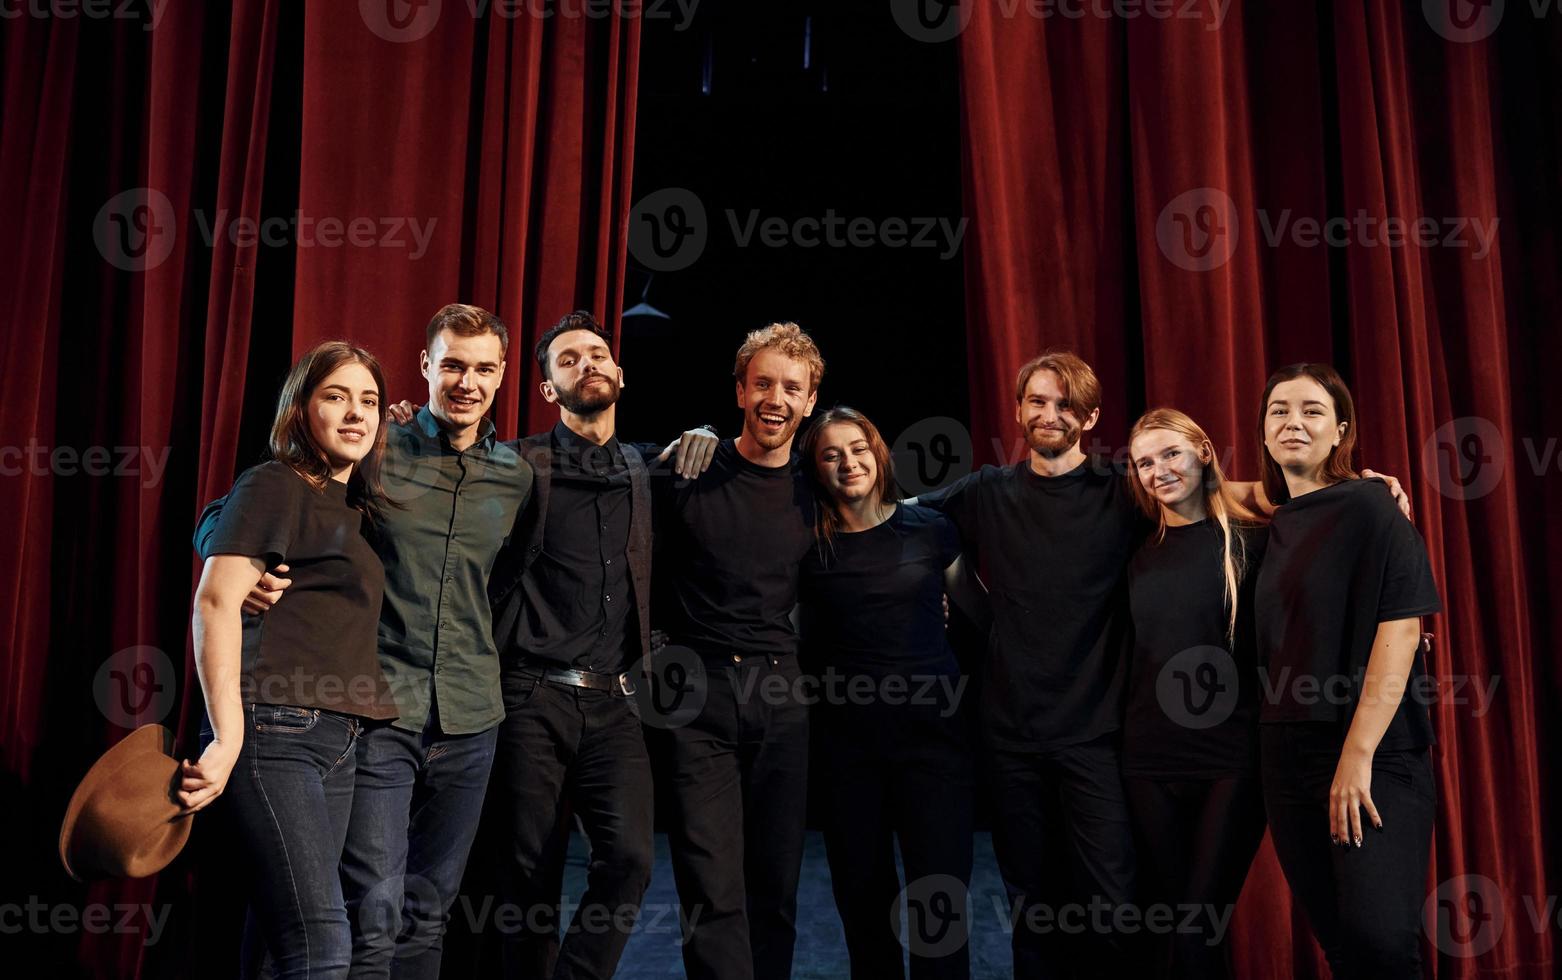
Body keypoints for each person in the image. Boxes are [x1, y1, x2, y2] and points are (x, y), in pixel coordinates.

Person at [196, 305, 535, 979]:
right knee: (364, 917)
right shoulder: (381, 448)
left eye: (484, 368)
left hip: (471, 716)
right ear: (427, 368)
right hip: (378, 713)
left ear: (503, 376)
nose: (468, 381)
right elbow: (236, 507)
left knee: (426, 914)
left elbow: (510, 579)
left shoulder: (517, 475)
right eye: (454, 365)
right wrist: (241, 567)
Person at [181, 341, 399, 980]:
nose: (356, 413)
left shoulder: (356, 505)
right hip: (275, 732)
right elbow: (215, 603)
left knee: (284, 949)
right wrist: (227, 738)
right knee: (322, 950)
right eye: (336, 396)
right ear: (301, 409)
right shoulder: (276, 482)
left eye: (369, 401)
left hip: (339, 735)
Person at [481, 311, 658, 979]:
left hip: (614, 703)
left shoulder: (646, 469)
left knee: (632, 859)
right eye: (568, 359)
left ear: (619, 373)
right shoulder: (519, 462)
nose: (587, 363)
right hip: (531, 694)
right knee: (527, 874)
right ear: (549, 389)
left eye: (596, 353)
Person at [648, 321, 824, 980]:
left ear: (809, 401)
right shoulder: (687, 469)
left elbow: (887, 526)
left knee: (774, 884)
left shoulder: (817, 487)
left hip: (782, 695)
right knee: (710, 886)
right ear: (741, 392)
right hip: (700, 695)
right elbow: (610, 480)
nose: (777, 398)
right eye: (764, 384)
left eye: (792, 388)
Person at [1252, 364, 1440, 979]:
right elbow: (1202, 487)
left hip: (1374, 751)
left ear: (1341, 431)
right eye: (1278, 410)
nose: (1292, 422)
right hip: (1287, 754)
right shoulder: (1268, 520)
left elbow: (1403, 628)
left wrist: (1356, 756)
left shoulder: (1371, 504)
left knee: (1381, 943)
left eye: (1310, 411)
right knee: (1342, 947)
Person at [796, 406, 977, 980]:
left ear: (879, 454)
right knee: (863, 897)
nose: (848, 462)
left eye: (858, 448)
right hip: (848, 748)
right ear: (816, 469)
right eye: (831, 454)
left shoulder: (930, 529)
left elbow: (980, 616)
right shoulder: (805, 546)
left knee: (938, 898)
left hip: (935, 743)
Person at [1121, 408, 1268, 979]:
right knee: (1171, 927)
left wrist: (1373, 486)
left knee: (1198, 925)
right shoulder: (1135, 553)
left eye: (1171, 454)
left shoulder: (1253, 542)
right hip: (1148, 761)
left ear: (1203, 452)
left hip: (1230, 762)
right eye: (1145, 463)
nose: (1159, 470)